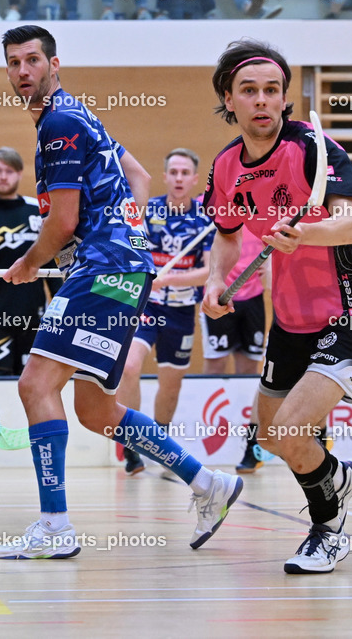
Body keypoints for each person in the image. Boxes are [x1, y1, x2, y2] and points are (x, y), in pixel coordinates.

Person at [0, 25, 243, 560]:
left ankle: (55, 526)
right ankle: (207, 483)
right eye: (14, 63)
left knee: (35, 386)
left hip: (104, 269)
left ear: (54, 64)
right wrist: (126, 231)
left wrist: (28, 264)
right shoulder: (79, 113)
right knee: (97, 410)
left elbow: (62, 222)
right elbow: (139, 174)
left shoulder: (58, 121)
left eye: (32, 60)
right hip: (125, 267)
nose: (23, 72)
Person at [201, 39, 352, 574]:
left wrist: (305, 233)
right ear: (229, 98)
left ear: (284, 98)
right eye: (249, 91)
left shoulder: (313, 147)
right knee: (269, 434)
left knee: (289, 430)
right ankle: (337, 477)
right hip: (290, 316)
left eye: (272, 91)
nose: (262, 101)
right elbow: (227, 234)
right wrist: (216, 280)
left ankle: (327, 531)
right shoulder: (225, 167)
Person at [117, 148, 214, 476]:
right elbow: (130, 250)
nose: (178, 178)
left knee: (170, 385)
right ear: (165, 175)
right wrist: (146, 276)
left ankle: (159, 441)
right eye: (173, 172)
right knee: (129, 368)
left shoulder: (205, 218)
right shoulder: (148, 210)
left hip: (182, 311)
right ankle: (131, 444)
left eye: (185, 173)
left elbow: (207, 272)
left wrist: (170, 278)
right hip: (146, 307)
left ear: (195, 179)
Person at [0, 146, 61, 376]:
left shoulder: (37, 211)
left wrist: (60, 302)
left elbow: (50, 262)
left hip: (34, 318)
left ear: (20, 174)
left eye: (9, 171)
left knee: (32, 383)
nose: (3, 176)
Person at [200, 225, 271, 473]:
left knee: (250, 367)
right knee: (215, 364)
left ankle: (247, 436)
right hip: (220, 296)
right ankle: (208, 431)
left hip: (253, 298)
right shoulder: (215, 209)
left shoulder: (265, 209)